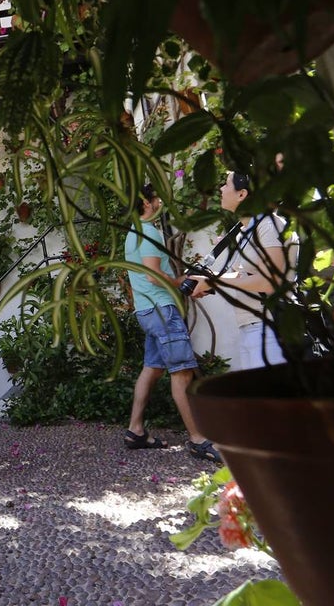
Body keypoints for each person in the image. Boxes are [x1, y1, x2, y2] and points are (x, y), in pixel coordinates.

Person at [123, 184, 220, 463]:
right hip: (161, 310)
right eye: (156, 198)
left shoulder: (133, 232)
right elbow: (153, 276)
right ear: (147, 202)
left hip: (147, 310)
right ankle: (198, 440)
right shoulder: (149, 231)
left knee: (152, 368)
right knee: (183, 373)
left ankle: (135, 430)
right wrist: (181, 282)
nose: (159, 202)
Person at [191, 172, 296, 371]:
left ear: (242, 194)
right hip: (250, 327)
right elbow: (243, 276)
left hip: (271, 327)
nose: (221, 189)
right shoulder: (246, 231)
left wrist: (214, 282)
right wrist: (207, 281)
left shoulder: (269, 226)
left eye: (226, 184)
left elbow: (269, 281)